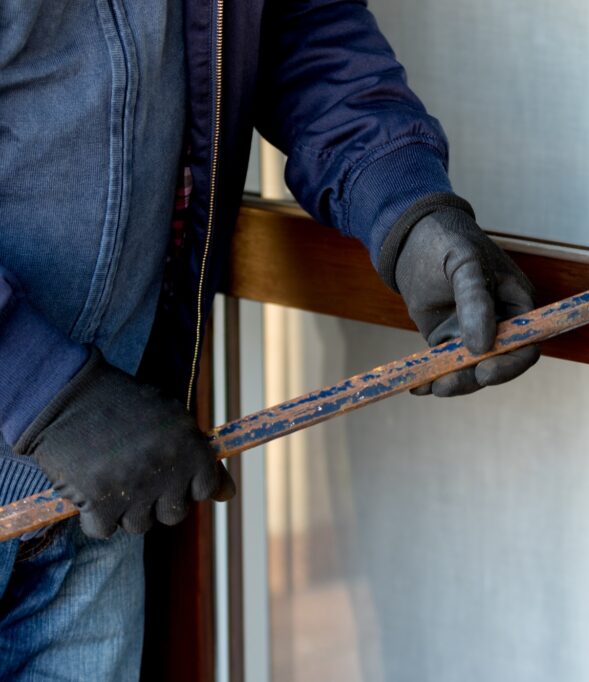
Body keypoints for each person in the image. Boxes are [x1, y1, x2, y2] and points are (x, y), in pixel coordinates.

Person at [0, 0, 538, 677]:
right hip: (82, 431)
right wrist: (44, 393)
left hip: (105, 482)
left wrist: (406, 211)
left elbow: (300, 26)